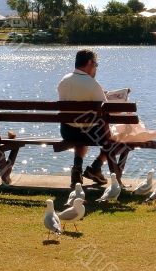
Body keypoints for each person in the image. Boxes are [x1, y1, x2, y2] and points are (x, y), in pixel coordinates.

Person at [58, 49, 109, 188]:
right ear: (89, 63)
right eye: (96, 64)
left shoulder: (64, 80)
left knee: (81, 130)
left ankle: (77, 169)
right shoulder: (92, 83)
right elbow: (107, 110)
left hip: (67, 131)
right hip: (90, 133)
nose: (96, 68)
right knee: (114, 136)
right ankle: (96, 167)